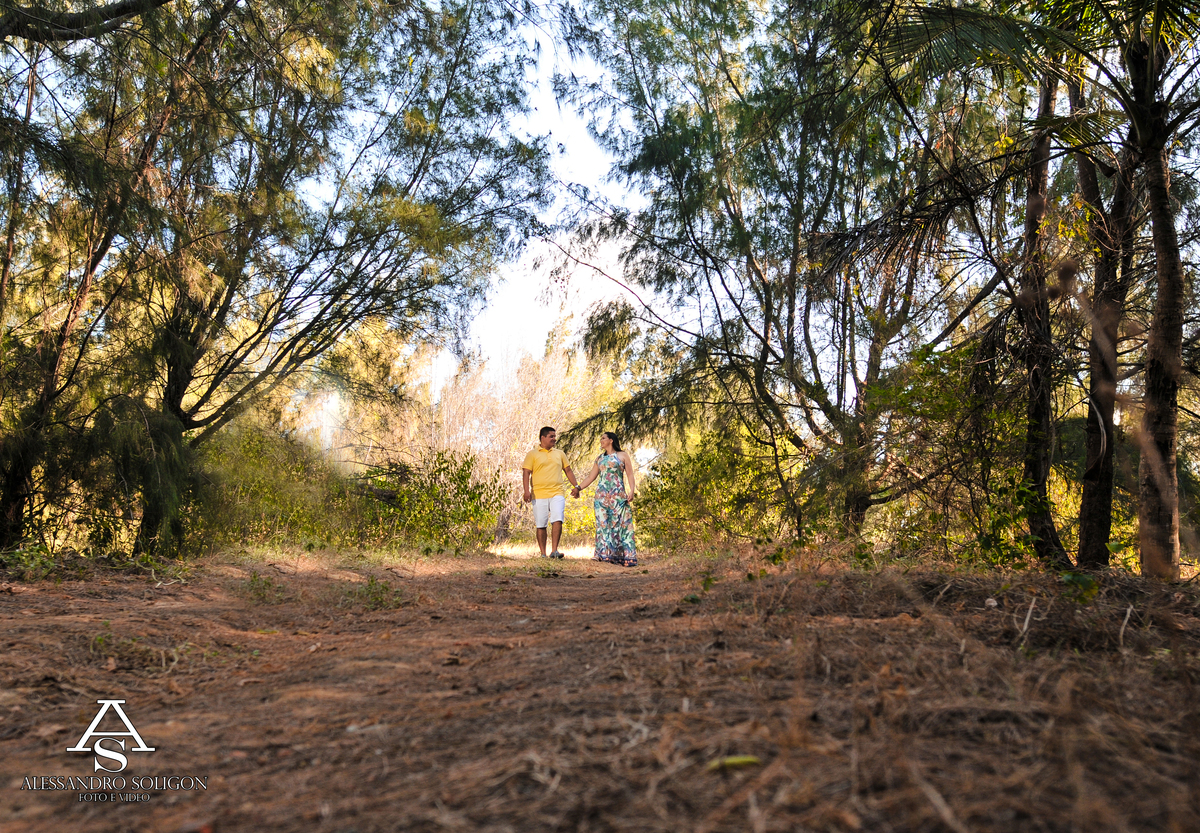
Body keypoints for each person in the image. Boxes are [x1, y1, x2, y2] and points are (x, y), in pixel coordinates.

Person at [572, 431, 637, 567]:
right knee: (602, 524)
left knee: (620, 524)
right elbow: (591, 477)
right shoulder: (599, 458)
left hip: (618, 496)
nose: (601, 440)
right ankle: (601, 554)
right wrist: (578, 487)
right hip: (601, 497)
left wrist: (632, 490)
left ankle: (623, 556)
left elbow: (630, 474)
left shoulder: (622, 455)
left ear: (611, 440)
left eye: (603, 438)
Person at [522, 426, 580, 559]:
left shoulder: (560, 453)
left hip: (557, 492)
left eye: (555, 436)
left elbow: (568, 471)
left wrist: (576, 486)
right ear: (543, 438)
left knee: (558, 518)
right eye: (551, 436)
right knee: (541, 524)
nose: (554, 439)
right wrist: (526, 491)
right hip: (539, 494)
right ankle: (543, 553)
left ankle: (554, 551)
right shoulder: (532, 454)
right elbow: (526, 473)